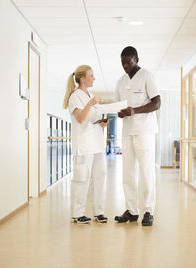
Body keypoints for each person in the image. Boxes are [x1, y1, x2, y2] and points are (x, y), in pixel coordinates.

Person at [114, 46, 161, 226]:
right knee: (127, 172)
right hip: (127, 131)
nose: (125, 65)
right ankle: (132, 210)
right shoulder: (120, 81)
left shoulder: (147, 76)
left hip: (145, 131)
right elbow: (119, 105)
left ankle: (149, 210)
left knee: (146, 171)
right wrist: (120, 112)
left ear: (137, 59)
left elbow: (157, 103)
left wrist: (135, 110)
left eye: (129, 62)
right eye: (123, 63)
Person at [63, 65, 108, 224]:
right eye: (91, 75)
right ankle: (77, 213)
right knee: (81, 179)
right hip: (83, 145)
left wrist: (102, 122)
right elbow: (81, 118)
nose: (93, 78)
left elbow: (92, 118)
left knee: (99, 177)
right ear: (82, 79)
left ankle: (99, 212)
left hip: (97, 143)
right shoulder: (75, 96)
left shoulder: (92, 95)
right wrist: (90, 103)